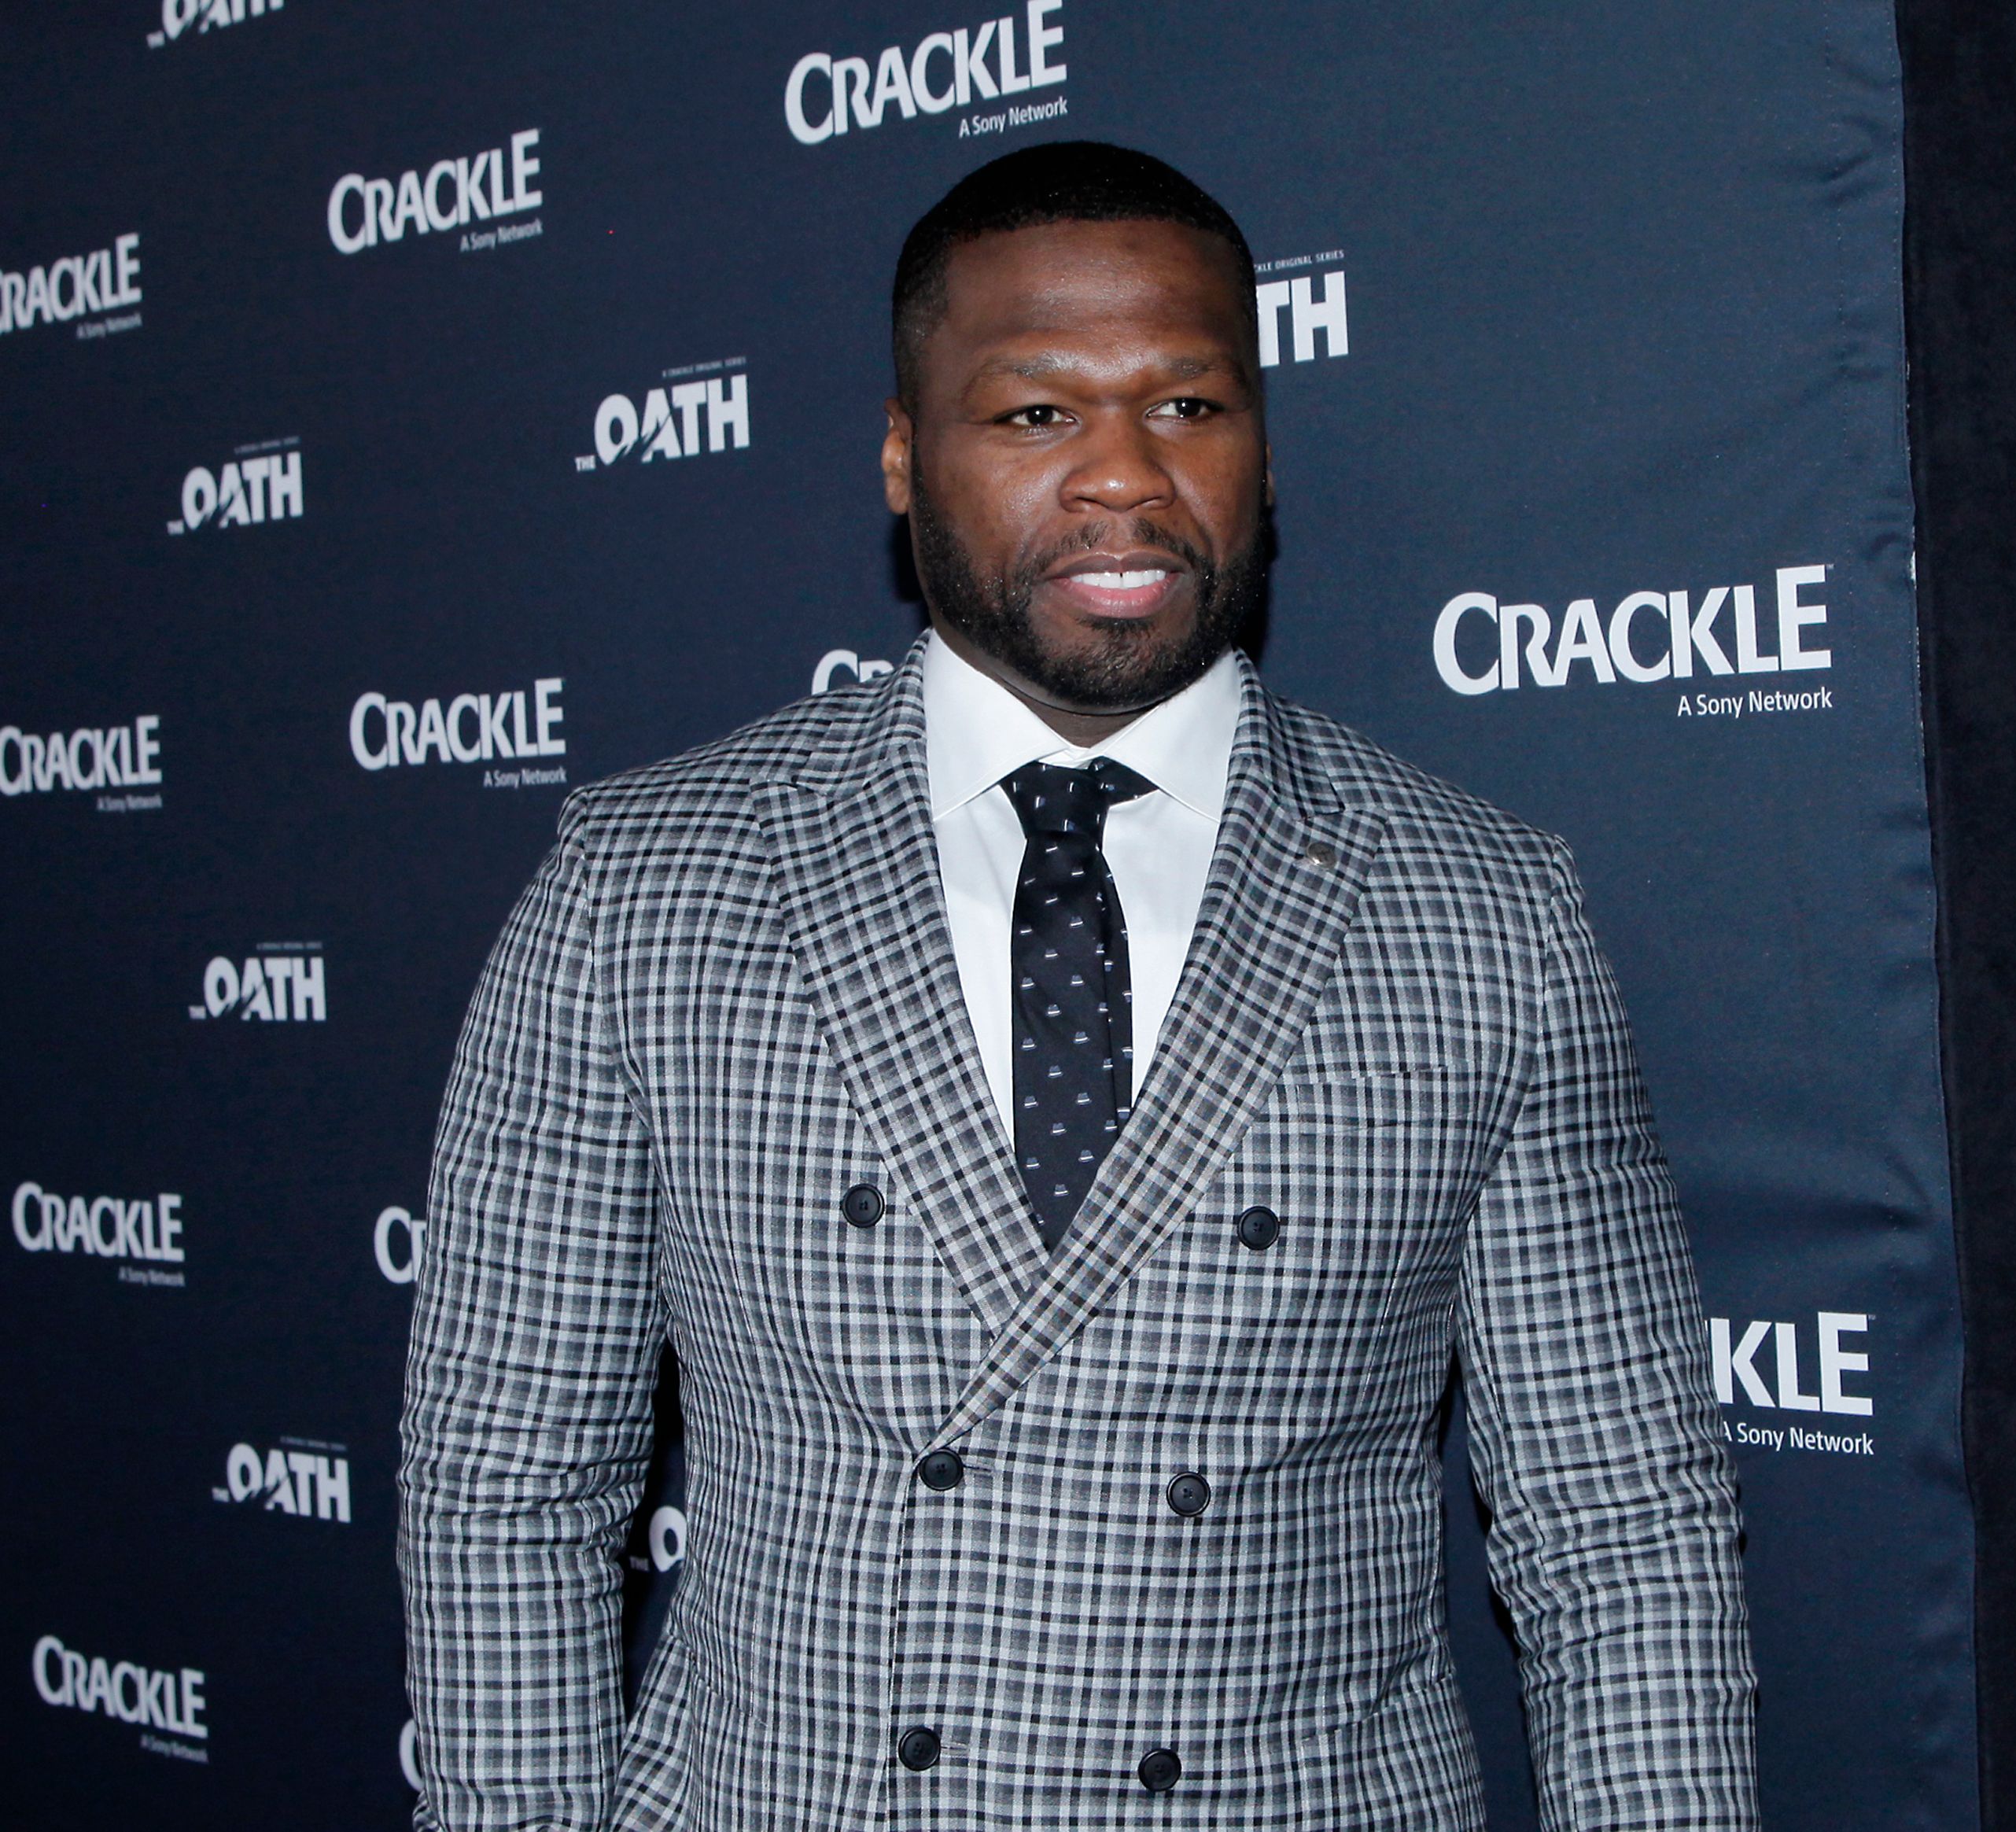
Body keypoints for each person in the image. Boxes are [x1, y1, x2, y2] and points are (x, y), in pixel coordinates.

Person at [400, 140, 1756, 1831]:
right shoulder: (645, 884)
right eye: (1035, 414)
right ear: (905, 458)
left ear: (1263, 443)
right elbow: (510, 1489)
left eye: (1188, 406)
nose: (1122, 477)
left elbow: (1619, 1529)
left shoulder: (1485, 910)